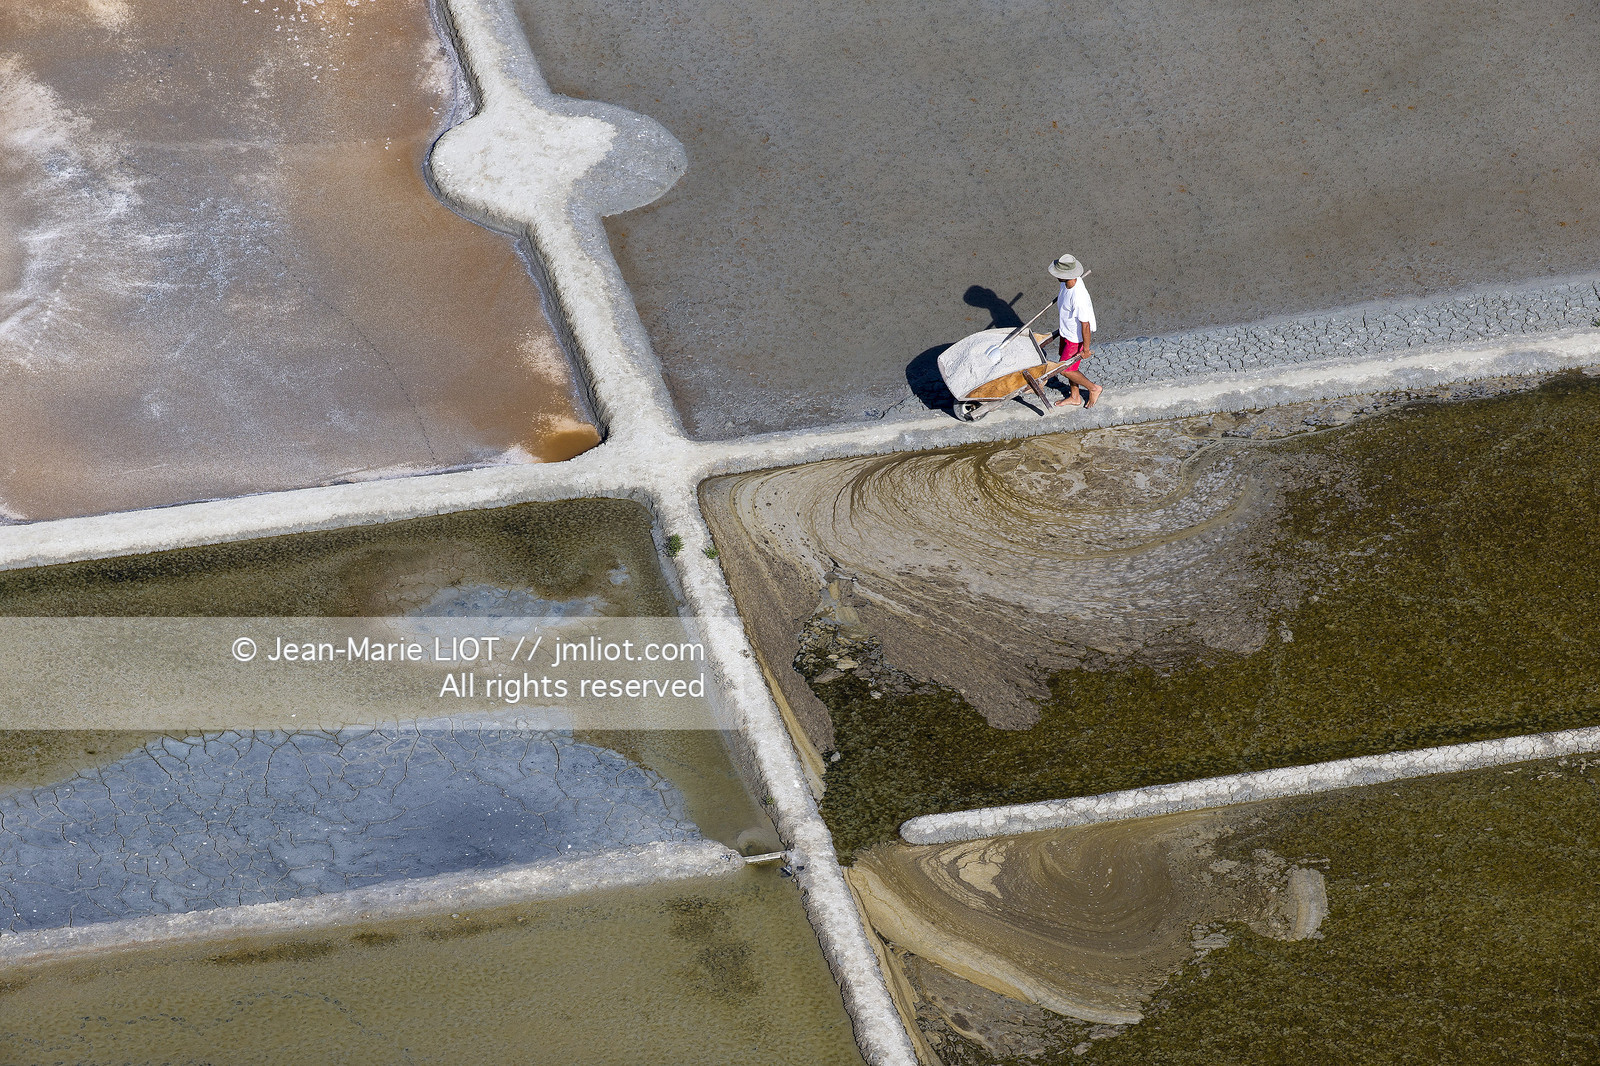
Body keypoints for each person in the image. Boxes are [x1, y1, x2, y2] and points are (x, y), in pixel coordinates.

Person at [1034, 253, 1103, 408]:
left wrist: (1086, 349)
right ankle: (1075, 397)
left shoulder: (1079, 297)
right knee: (1070, 365)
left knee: (1065, 369)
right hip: (1066, 330)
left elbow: (1085, 325)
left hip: (1075, 337)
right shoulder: (1065, 284)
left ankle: (1094, 388)